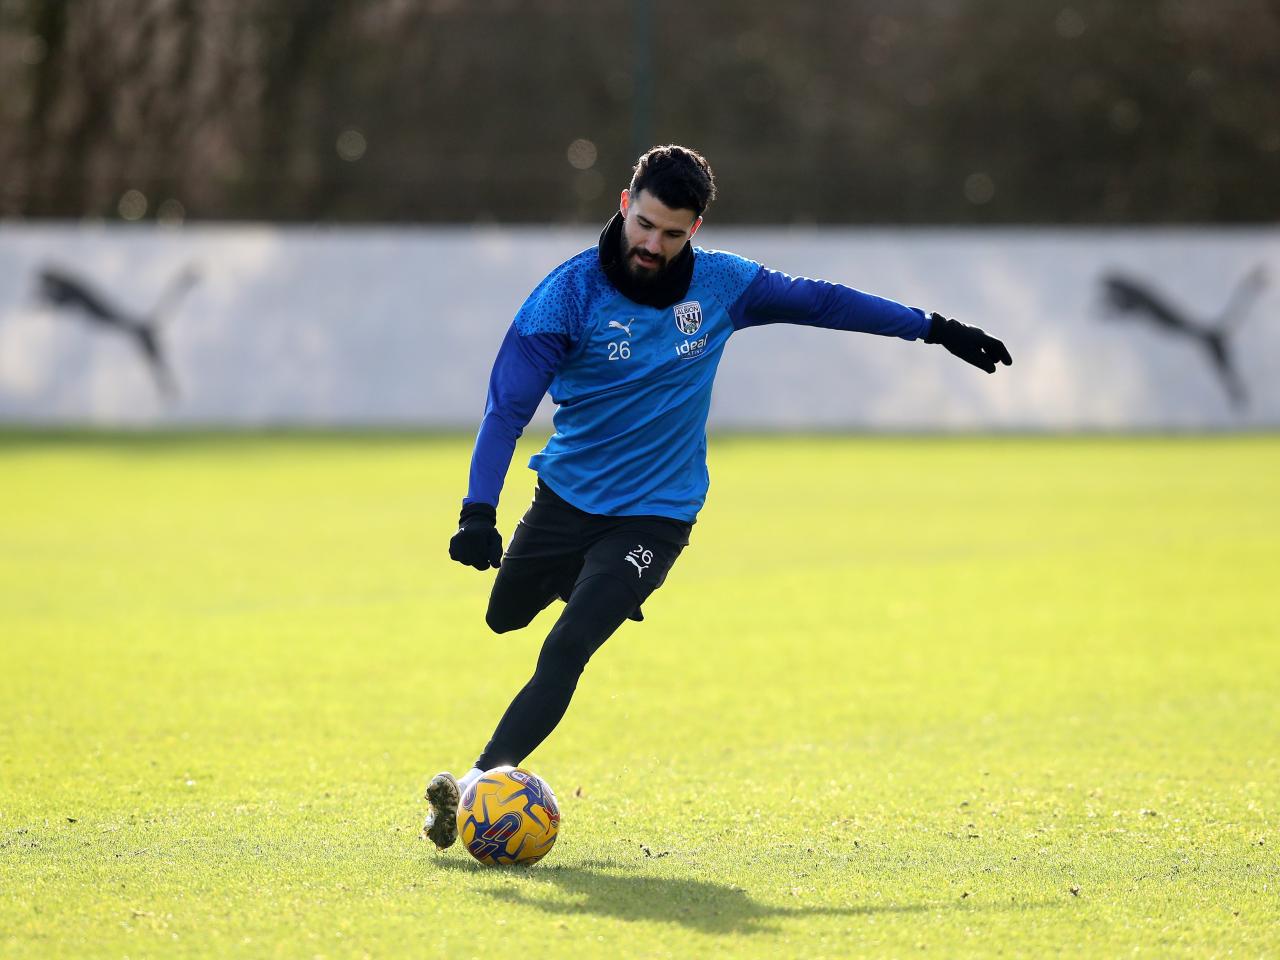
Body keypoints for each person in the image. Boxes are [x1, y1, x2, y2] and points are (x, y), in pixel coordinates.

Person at [422, 144, 1011, 849]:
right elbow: (505, 410)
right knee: (503, 615)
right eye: (645, 224)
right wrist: (477, 512)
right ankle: (590, 579)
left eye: (673, 233)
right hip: (568, 499)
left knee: (568, 645)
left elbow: (822, 302)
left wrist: (934, 328)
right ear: (623, 205)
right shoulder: (566, 297)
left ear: (695, 230)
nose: (653, 243)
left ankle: (476, 785)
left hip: (657, 513)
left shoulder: (725, 285)